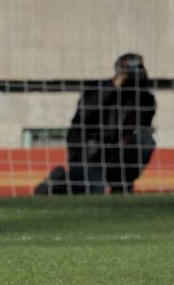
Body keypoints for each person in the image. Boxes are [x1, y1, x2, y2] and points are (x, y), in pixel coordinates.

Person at [35, 53, 156, 196]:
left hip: (115, 153)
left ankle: (122, 184)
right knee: (93, 192)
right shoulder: (97, 88)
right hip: (88, 153)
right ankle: (58, 181)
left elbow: (142, 126)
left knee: (145, 140)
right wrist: (114, 87)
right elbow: (85, 114)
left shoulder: (145, 98)